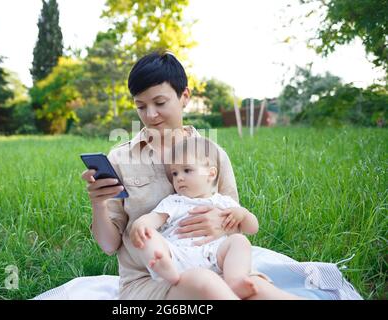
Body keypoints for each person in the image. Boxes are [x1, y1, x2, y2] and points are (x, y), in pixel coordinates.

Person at [82, 51, 304, 299]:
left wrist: (222, 225)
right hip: (150, 282)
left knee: (261, 290)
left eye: (160, 103)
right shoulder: (121, 159)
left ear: (184, 96)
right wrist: (98, 204)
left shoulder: (213, 154)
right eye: (141, 106)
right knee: (204, 285)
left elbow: (236, 225)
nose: (150, 115)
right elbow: (109, 245)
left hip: (215, 266)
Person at [130, 136, 262, 299]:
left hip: (215, 255)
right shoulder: (174, 201)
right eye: (175, 173)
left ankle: (235, 279)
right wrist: (141, 224)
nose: (179, 178)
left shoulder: (224, 202)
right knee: (149, 236)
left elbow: (252, 228)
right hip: (177, 255)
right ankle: (166, 269)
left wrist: (243, 214)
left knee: (240, 242)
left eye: (187, 170)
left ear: (211, 173)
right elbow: (154, 218)